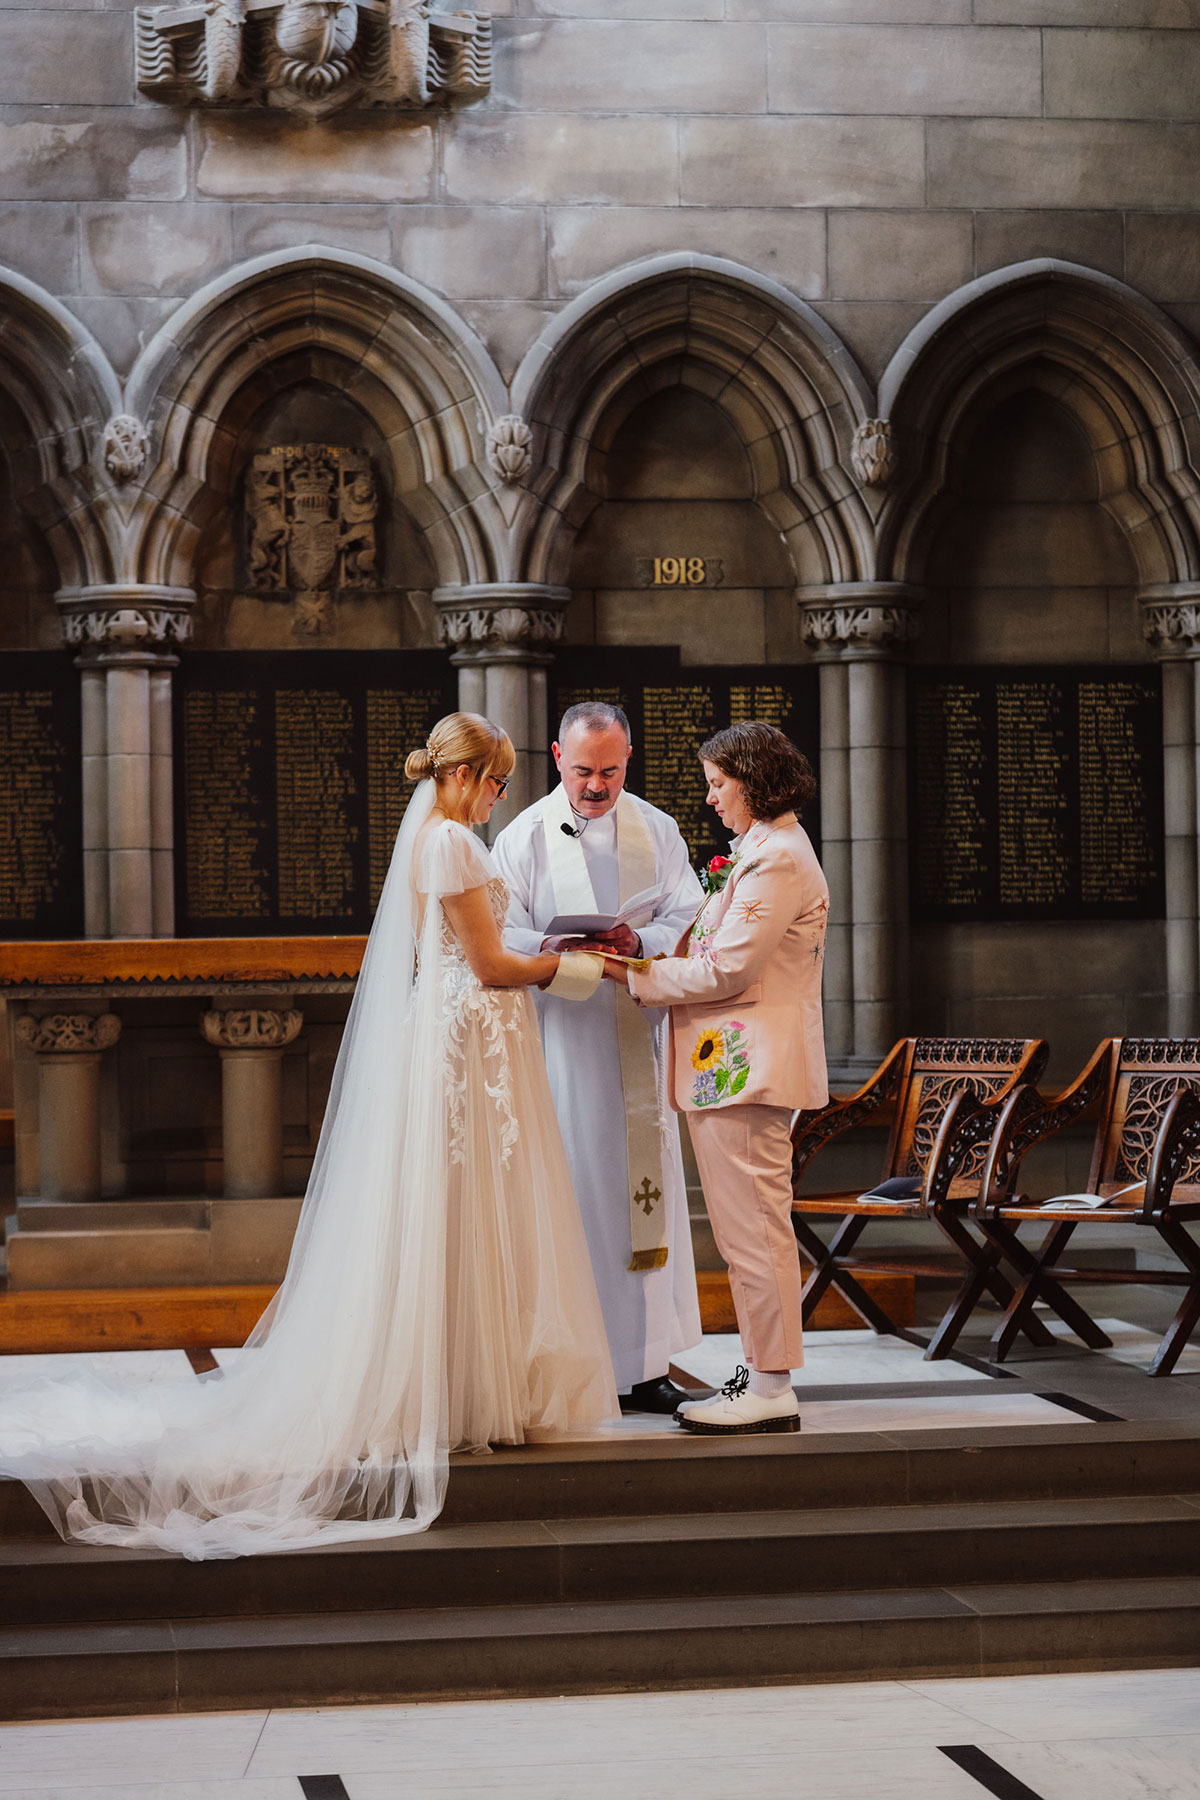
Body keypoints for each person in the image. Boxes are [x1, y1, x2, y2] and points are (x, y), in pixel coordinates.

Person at [0, 713, 616, 1558]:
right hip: (473, 1041)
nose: (499, 800)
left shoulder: (431, 840)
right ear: (466, 776)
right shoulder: (454, 846)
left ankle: (453, 1391)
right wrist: (582, 967)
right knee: (468, 1210)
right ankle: (463, 1396)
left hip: (462, 1040)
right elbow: (486, 967)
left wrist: (542, 947)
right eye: (498, 783)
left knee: (451, 1212)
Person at [600, 720, 828, 1436]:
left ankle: (770, 1386)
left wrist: (629, 974)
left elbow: (728, 968)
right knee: (745, 1232)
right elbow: (710, 944)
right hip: (730, 1071)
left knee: (756, 1232)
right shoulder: (760, 851)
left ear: (754, 782)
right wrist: (643, 948)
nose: (710, 799)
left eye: (718, 785)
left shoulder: (778, 860)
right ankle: (764, 1375)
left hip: (749, 1070)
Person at [493, 703, 704, 1414]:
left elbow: (691, 916)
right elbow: (497, 928)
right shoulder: (522, 837)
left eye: (610, 770)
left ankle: (643, 1368)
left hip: (635, 1040)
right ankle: (572, 1364)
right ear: (557, 756)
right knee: (574, 1192)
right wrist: (551, 947)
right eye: (583, 770)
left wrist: (636, 942)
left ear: (628, 758)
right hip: (562, 1045)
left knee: (638, 1201)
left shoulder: (657, 829)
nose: (595, 785)